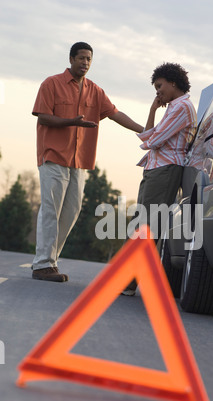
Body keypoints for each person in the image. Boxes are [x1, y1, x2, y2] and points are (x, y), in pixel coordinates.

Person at [31, 42, 143, 282]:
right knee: (51, 210)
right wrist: (72, 122)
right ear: (71, 59)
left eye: (89, 59)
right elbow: (43, 116)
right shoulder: (51, 83)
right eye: (81, 58)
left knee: (71, 212)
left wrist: (145, 131)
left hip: (79, 160)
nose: (85, 63)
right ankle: (42, 264)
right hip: (53, 156)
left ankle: (50, 262)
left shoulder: (95, 90)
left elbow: (115, 113)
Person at [122, 62, 197, 296]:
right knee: (141, 222)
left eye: (159, 86)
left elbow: (152, 140)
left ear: (173, 82)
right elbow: (149, 134)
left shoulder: (182, 107)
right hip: (155, 168)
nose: (158, 91)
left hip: (165, 170)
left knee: (149, 224)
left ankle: (128, 281)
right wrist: (154, 109)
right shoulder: (172, 108)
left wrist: (152, 136)